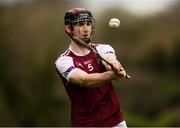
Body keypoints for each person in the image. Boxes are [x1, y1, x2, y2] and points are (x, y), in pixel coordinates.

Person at [55, 7, 128, 127]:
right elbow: (84, 80)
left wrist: (115, 66)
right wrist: (111, 75)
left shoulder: (103, 48)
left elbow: (110, 60)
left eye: (88, 24)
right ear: (68, 29)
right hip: (86, 124)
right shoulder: (64, 61)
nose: (86, 29)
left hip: (115, 121)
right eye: (80, 24)